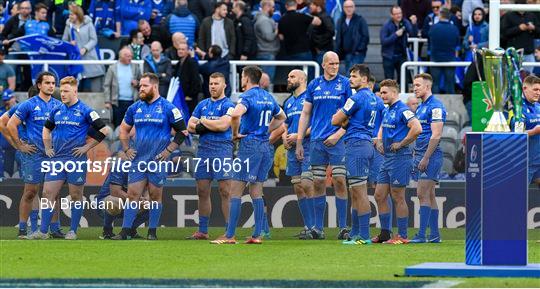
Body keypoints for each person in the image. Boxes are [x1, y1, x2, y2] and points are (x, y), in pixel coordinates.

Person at [210, 66, 285, 244]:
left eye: (242, 77)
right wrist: (266, 130)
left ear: (246, 78)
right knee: (256, 190)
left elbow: (235, 115)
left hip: (250, 145)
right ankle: (257, 235)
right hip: (265, 147)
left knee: (235, 190)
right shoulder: (268, 96)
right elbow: (282, 117)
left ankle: (229, 236)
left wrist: (235, 134)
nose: (241, 80)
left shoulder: (247, 97)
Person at [113, 73, 188, 240]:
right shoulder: (134, 108)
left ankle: (152, 232)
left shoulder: (169, 108)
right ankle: (125, 232)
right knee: (133, 195)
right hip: (138, 159)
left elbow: (183, 133)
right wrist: (126, 148)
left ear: (154, 87)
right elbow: (124, 129)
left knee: (155, 196)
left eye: (144, 86)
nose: (140, 89)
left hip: (158, 160)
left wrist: (168, 151)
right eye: (140, 86)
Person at [35, 76, 109, 240]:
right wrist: (47, 147)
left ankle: (73, 231)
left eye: (66, 91)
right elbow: (46, 130)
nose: (62, 94)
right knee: (48, 193)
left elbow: (105, 130)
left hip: (76, 160)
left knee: (75, 195)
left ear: (75, 91)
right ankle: (42, 231)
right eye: (61, 91)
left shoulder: (86, 110)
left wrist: (86, 147)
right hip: (57, 159)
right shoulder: (57, 110)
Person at [296, 51, 352, 240]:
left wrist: (339, 134)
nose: (335, 66)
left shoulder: (345, 84)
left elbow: (352, 113)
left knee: (339, 180)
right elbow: (305, 114)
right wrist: (299, 141)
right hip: (317, 141)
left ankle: (343, 227)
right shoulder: (314, 85)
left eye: (337, 63)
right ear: (323, 65)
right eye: (331, 63)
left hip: (338, 140)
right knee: (318, 182)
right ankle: (318, 229)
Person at [6, 72, 63, 239]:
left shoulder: (59, 105)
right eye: (47, 83)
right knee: (31, 191)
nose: (51, 86)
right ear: (39, 85)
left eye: (53, 83)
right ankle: (23, 229)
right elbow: (10, 125)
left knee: (54, 193)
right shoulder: (28, 105)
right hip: (34, 154)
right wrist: (20, 146)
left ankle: (55, 228)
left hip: (53, 155)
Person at [331, 64, 379, 244]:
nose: (350, 79)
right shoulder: (374, 99)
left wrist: (341, 117)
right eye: (350, 76)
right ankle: (357, 232)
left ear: (364, 79)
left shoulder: (356, 98)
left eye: (354, 76)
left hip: (356, 145)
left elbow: (335, 120)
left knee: (359, 192)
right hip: (365, 143)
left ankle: (364, 236)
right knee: (357, 191)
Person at [186, 72, 235, 240]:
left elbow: (223, 125)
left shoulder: (229, 104)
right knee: (202, 191)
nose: (213, 86)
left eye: (216, 83)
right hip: (204, 150)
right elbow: (190, 126)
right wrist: (209, 123)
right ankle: (202, 230)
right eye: (211, 83)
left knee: (225, 191)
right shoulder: (202, 104)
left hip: (223, 149)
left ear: (224, 85)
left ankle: (229, 231)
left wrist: (203, 122)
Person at [372, 79, 421, 244]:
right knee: (379, 195)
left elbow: (417, 128)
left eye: (385, 92)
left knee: (398, 196)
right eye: (381, 92)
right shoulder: (388, 110)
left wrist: (401, 143)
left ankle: (402, 235)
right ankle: (385, 233)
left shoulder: (403, 109)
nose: (381, 95)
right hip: (387, 158)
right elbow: (381, 128)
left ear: (394, 93)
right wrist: (379, 141)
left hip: (401, 157)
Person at [409, 73, 446, 243]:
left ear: (427, 87)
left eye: (417, 85)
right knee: (429, 195)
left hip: (431, 155)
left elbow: (436, 134)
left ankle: (422, 235)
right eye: (414, 85)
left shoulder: (435, 106)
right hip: (423, 154)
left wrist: (425, 158)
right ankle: (435, 235)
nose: (414, 88)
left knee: (422, 193)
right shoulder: (422, 106)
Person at [282, 69, 314, 239]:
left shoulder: (310, 98)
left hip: (308, 147)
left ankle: (316, 228)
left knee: (308, 184)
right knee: (298, 187)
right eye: (289, 76)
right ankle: (308, 226)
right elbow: (285, 124)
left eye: (292, 76)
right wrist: (284, 137)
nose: (288, 79)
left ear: (302, 79)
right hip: (292, 149)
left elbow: (317, 124)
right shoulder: (288, 102)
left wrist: (299, 136)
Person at [95, 151, 149, 239]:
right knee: (113, 201)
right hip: (105, 204)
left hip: (130, 203)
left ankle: (130, 230)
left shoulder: (146, 168)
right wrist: (137, 200)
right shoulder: (120, 166)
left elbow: (148, 190)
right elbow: (115, 192)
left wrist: (146, 199)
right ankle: (107, 230)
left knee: (153, 204)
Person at [63, 4, 106, 93]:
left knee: (95, 89)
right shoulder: (68, 25)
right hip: (76, 60)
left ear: (78, 14)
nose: (69, 16)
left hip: (90, 58)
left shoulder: (89, 23)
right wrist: (69, 44)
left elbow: (94, 39)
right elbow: (64, 41)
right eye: (69, 14)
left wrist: (85, 48)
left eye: (72, 14)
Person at [103, 47, 142, 128]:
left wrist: (137, 83)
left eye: (131, 56)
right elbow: (107, 85)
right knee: (118, 126)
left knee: (132, 126)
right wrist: (107, 101)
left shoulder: (135, 67)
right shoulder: (112, 68)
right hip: (117, 103)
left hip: (132, 102)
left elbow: (141, 82)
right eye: (128, 56)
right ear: (121, 57)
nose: (130, 58)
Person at [380, 5, 417, 80]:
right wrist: (395, 35)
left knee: (404, 80)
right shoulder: (386, 26)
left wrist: (414, 24)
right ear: (391, 15)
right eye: (396, 14)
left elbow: (413, 34)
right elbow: (383, 41)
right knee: (389, 80)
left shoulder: (405, 22)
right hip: (388, 56)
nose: (399, 15)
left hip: (401, 55)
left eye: (400, 13)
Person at [502, 0, 540, 72]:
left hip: (528, 53)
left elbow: (538, 32)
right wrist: (518, 28)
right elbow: (504, 33)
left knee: (528, 77)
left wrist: (533, 28)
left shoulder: (532, 15)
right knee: (512, 77)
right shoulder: (508, 16)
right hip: (513, 53)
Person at [429, 7, 460, 94]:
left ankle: (434, 106)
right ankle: (451, 106)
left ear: (440, 15)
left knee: (435, 84)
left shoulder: (433, 28)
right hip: (450, 59)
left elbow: (430, 40)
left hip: (435, 59)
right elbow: (457, 43)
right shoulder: (454, 28)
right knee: (450, 84)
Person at [335, 0, 369, 74]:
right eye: (346, 7)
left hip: (357, 54)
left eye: (350, 6)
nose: (348, 9)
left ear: (354, 8)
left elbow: (365, 36)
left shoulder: (360, 20)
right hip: (346, 54)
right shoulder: (340, 21)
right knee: (350, 75)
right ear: (343, 8)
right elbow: (339, 38)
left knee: (351, 74)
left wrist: (359, 50)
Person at [254, 0, 279, 81]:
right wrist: (276, 31)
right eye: (273, 7)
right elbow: (269, 37)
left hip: (266, 53)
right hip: (266, 54)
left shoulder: (265, 19)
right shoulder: (264, 20)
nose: (274, 9)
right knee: (266, 81)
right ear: (267, 7)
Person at [522, 75, 540, 185]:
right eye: (535, 89)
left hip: (538, 161)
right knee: (518, 196)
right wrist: (534, 132)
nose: (538, 93)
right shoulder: (518, 109)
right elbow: (514, 135)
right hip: (525, 163)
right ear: (525, 89)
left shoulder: (538, 106)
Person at [173, 42, 201, 113]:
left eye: (183, 49)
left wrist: (191, 95)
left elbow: (196, 80)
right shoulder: (178, 64)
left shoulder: (191, 62)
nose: (180, 51)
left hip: (189, 98)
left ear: (188, 51)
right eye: (179, 49)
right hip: (180, 97)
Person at [308, 0, 335, 65]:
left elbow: (331, 31)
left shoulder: (325, 17)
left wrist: (319, 45)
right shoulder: (314, 17)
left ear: (318, 6)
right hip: (314, 51)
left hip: (321, 51)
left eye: (312, 5)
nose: (310, 7)